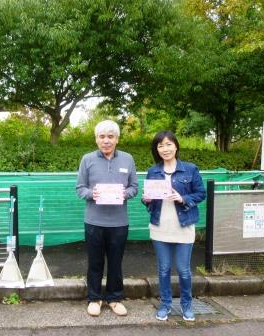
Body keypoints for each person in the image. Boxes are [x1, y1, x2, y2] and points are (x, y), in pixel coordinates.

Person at [76, 120, 138, 317]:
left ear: (117, 139)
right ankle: (94, 298)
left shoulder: (128, 159)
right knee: (94, 262)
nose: (106, 141)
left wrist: (122, 194)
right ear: (96, 139)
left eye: (110, 136)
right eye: (102, 136)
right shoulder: (87, 159)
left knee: (115, 262)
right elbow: (80, 188)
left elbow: (134, 187)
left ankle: (114, 298)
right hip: (94, 221)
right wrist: (92, 194)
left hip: (119, 222)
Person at [142, 130, 205, 322]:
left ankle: (186, 305)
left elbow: (201, 193)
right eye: (160, 145)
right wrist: (146, 199)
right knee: (164, 269)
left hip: (184, 226)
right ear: (157, 149)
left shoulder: (190, 169)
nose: (165, 148)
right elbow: (148, 200)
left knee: (183, 269)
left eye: (168, 144)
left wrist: (183, 198)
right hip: (160, 226)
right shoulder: (153, 171)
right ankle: (165, 304)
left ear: (176, 146)